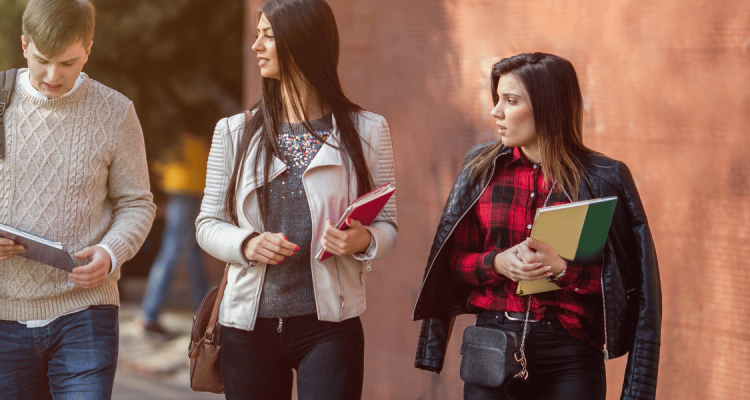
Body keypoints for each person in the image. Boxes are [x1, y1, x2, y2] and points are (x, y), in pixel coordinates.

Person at [0, 0, 156, 397]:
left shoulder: (116, 112)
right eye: (43, 60)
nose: (54, 75)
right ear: (24, 45)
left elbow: (137, 204)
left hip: (85, 314)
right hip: (1, 317)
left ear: (88, 50)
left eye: (69, 63)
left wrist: (111, 252)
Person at [411, 53, 661, 399]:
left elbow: (626, 286)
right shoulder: (480, 170)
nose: (496, 112)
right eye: (497, 98)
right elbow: (453, 263)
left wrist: (561, 270)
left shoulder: (603, 179)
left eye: (510, 101)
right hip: (492, 344)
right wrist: (498, 262)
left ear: (549, 107)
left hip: (571, 352)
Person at [194, 0, 398, 398]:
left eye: (268, 36)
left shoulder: (368, 130)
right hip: (248, 326)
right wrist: (247, 243)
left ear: (303, 42)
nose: (256, 46)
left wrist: (364, 240)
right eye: (257, 34)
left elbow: (388, 224)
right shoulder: (234, 132)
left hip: (329, 326)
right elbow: (207, 224)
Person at [136, 130, 211, 337]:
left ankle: (206, 314)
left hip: (189, 183)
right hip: (186, 184)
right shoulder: (183, 112)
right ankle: (149, 314)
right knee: (173, 249)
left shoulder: (179, 114)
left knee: (194, 252)